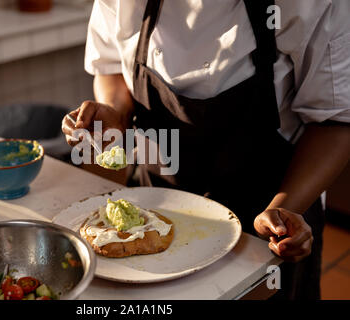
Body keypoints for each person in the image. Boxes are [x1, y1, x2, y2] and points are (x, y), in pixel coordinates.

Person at [62, 0, 350, 299]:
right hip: (155, 211)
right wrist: (115, 112)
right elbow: (111, 67)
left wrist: (285, 208)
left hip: (265, 222)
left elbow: (335, 121)